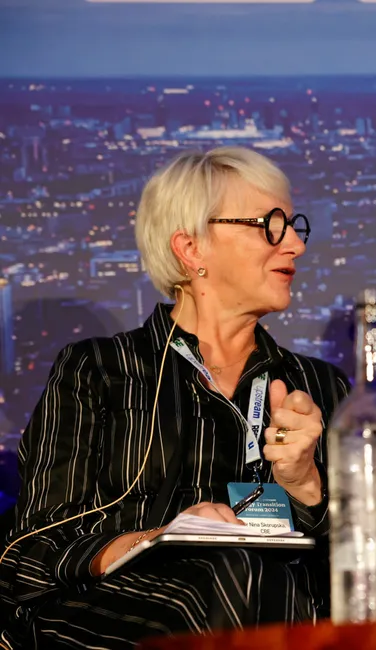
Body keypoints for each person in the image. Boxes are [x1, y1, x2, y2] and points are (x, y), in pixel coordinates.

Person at [0, 146, 350, 649]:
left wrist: (305, 486)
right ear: (191, 249)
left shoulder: (316, 387)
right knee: (228, 572)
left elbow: (363, 567)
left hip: (275, 614)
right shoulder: (99, 370)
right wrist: (159, 540)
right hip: (112, 620)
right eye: (270, 225)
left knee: (255, 579)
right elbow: (26, 555)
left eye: (294, 224)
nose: (294, 243)